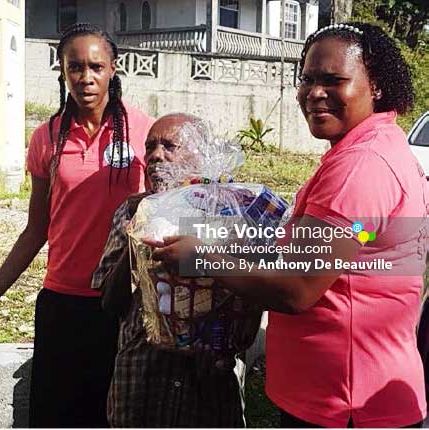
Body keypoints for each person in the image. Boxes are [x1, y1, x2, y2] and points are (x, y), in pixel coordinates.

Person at [150, 22, 426, 427]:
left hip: (344, 403)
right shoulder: (380, 148)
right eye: (307, 79)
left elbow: (297, 290)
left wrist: (202, 257)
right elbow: (353, 248)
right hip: (351, 390)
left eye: (334, 80)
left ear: (377, 85)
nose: (315, 93)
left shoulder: (361, 168)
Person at [0, 23, 155, 427]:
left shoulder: (143, 131)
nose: (85, 77)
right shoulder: (47, 137)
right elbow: (36, 230)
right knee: (56, 417)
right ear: (62, 71)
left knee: (115, 418)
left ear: (113, 68)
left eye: (96, 66)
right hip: (63, 303)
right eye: (75, 67)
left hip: (124, 303)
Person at [93, 113, 245, 427]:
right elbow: (110, 302)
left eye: (169, 146)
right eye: (150, 146)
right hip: (139, 381)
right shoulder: (132, 209)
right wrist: (139, 231)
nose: (155, 155)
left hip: (205, 386)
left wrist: (225, 346)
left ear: (200, 157)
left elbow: (248, 301)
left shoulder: (225, 214)